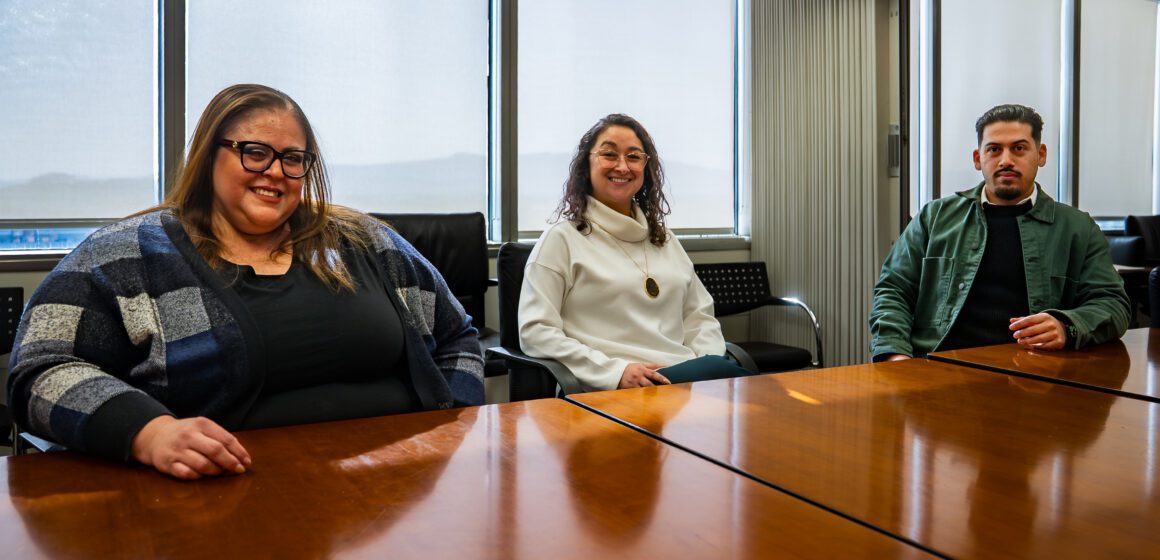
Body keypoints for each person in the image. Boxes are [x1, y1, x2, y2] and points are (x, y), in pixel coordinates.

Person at [7, 84, 484, 479]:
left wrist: (452, 425)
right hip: (220, 498)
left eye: (293, 159)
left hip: (397, 491)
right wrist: (147, 432)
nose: (275, 172)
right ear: (208, 155)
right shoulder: (124, 254)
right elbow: (40, 371)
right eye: (255, 153)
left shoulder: (366, 241)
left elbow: (457, 335)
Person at [869, 103, 1129, 361]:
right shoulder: (934, 218)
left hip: (1037, 375)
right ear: (977, 158)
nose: (1006, 160)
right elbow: (893, 291)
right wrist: (895, 357)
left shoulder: (1078, 228)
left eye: (1018, 148)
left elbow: (1113, 305)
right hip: (938, 366)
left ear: (1040, 154)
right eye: (994, 149)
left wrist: (1067, 326)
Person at [518, 113, 751, 391]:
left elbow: (699, 316)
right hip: (611, 388)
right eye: (609, 154)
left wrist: (705, 362)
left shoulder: (664, 240)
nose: (622, 166)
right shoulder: (562, 240)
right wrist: (615, 371)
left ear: (646, 167)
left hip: (683, 381)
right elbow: (536, 331)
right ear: (585, 165)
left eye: (634, 156)